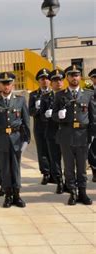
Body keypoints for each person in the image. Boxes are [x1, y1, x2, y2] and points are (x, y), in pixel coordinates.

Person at [52, 65, 95, 205]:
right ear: (67, 78)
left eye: (77, 75)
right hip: (66, 134)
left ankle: (83, 192)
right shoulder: (60, 95)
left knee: (82, 167)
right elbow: (53, 116)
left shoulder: (88, 94)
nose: (74, 77)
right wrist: (59, 116)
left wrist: (93, 135)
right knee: (69, 167)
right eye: (71, 75)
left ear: (80, 77)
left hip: (83, 134)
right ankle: (73, 192)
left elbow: (93, 116)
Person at [0, 72, 31, 208]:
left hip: (16, 138)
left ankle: (17, 195)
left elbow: (26, 121)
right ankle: (8, 195)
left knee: (16, 167)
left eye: (9, 83)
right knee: (5, 168)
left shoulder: (20, 100)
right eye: (3, 84)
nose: (6, 86)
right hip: (1, 138)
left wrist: (26, 140)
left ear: (13, 84)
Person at [40, 69, 65, 194]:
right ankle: (59, 182)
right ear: (51, 82)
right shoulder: (45, 98)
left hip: (67, 133)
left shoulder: (69, 95)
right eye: (55, 80)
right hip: (52, 132)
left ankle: (70, 181)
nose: (58, 83)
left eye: (60, 80)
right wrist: (46, 114)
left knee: (69, 159)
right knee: (55, 159)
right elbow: (41, 117)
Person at [29, 68, 52, 184]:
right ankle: (46, 173)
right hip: (40, 127)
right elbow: (30, 112)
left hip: (52, 126)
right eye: (42, 79)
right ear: (39, 81)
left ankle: (55, 173)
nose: (45, 81)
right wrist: (37, 108)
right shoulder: (33, 95)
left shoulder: (54, 94)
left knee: (54, 150)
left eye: (47, 79)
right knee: (42, 151)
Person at [87, 68, 96, 182]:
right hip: (91, 124)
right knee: (92, 149)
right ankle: (95, 171)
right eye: (95, 77)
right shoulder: (87, 91)